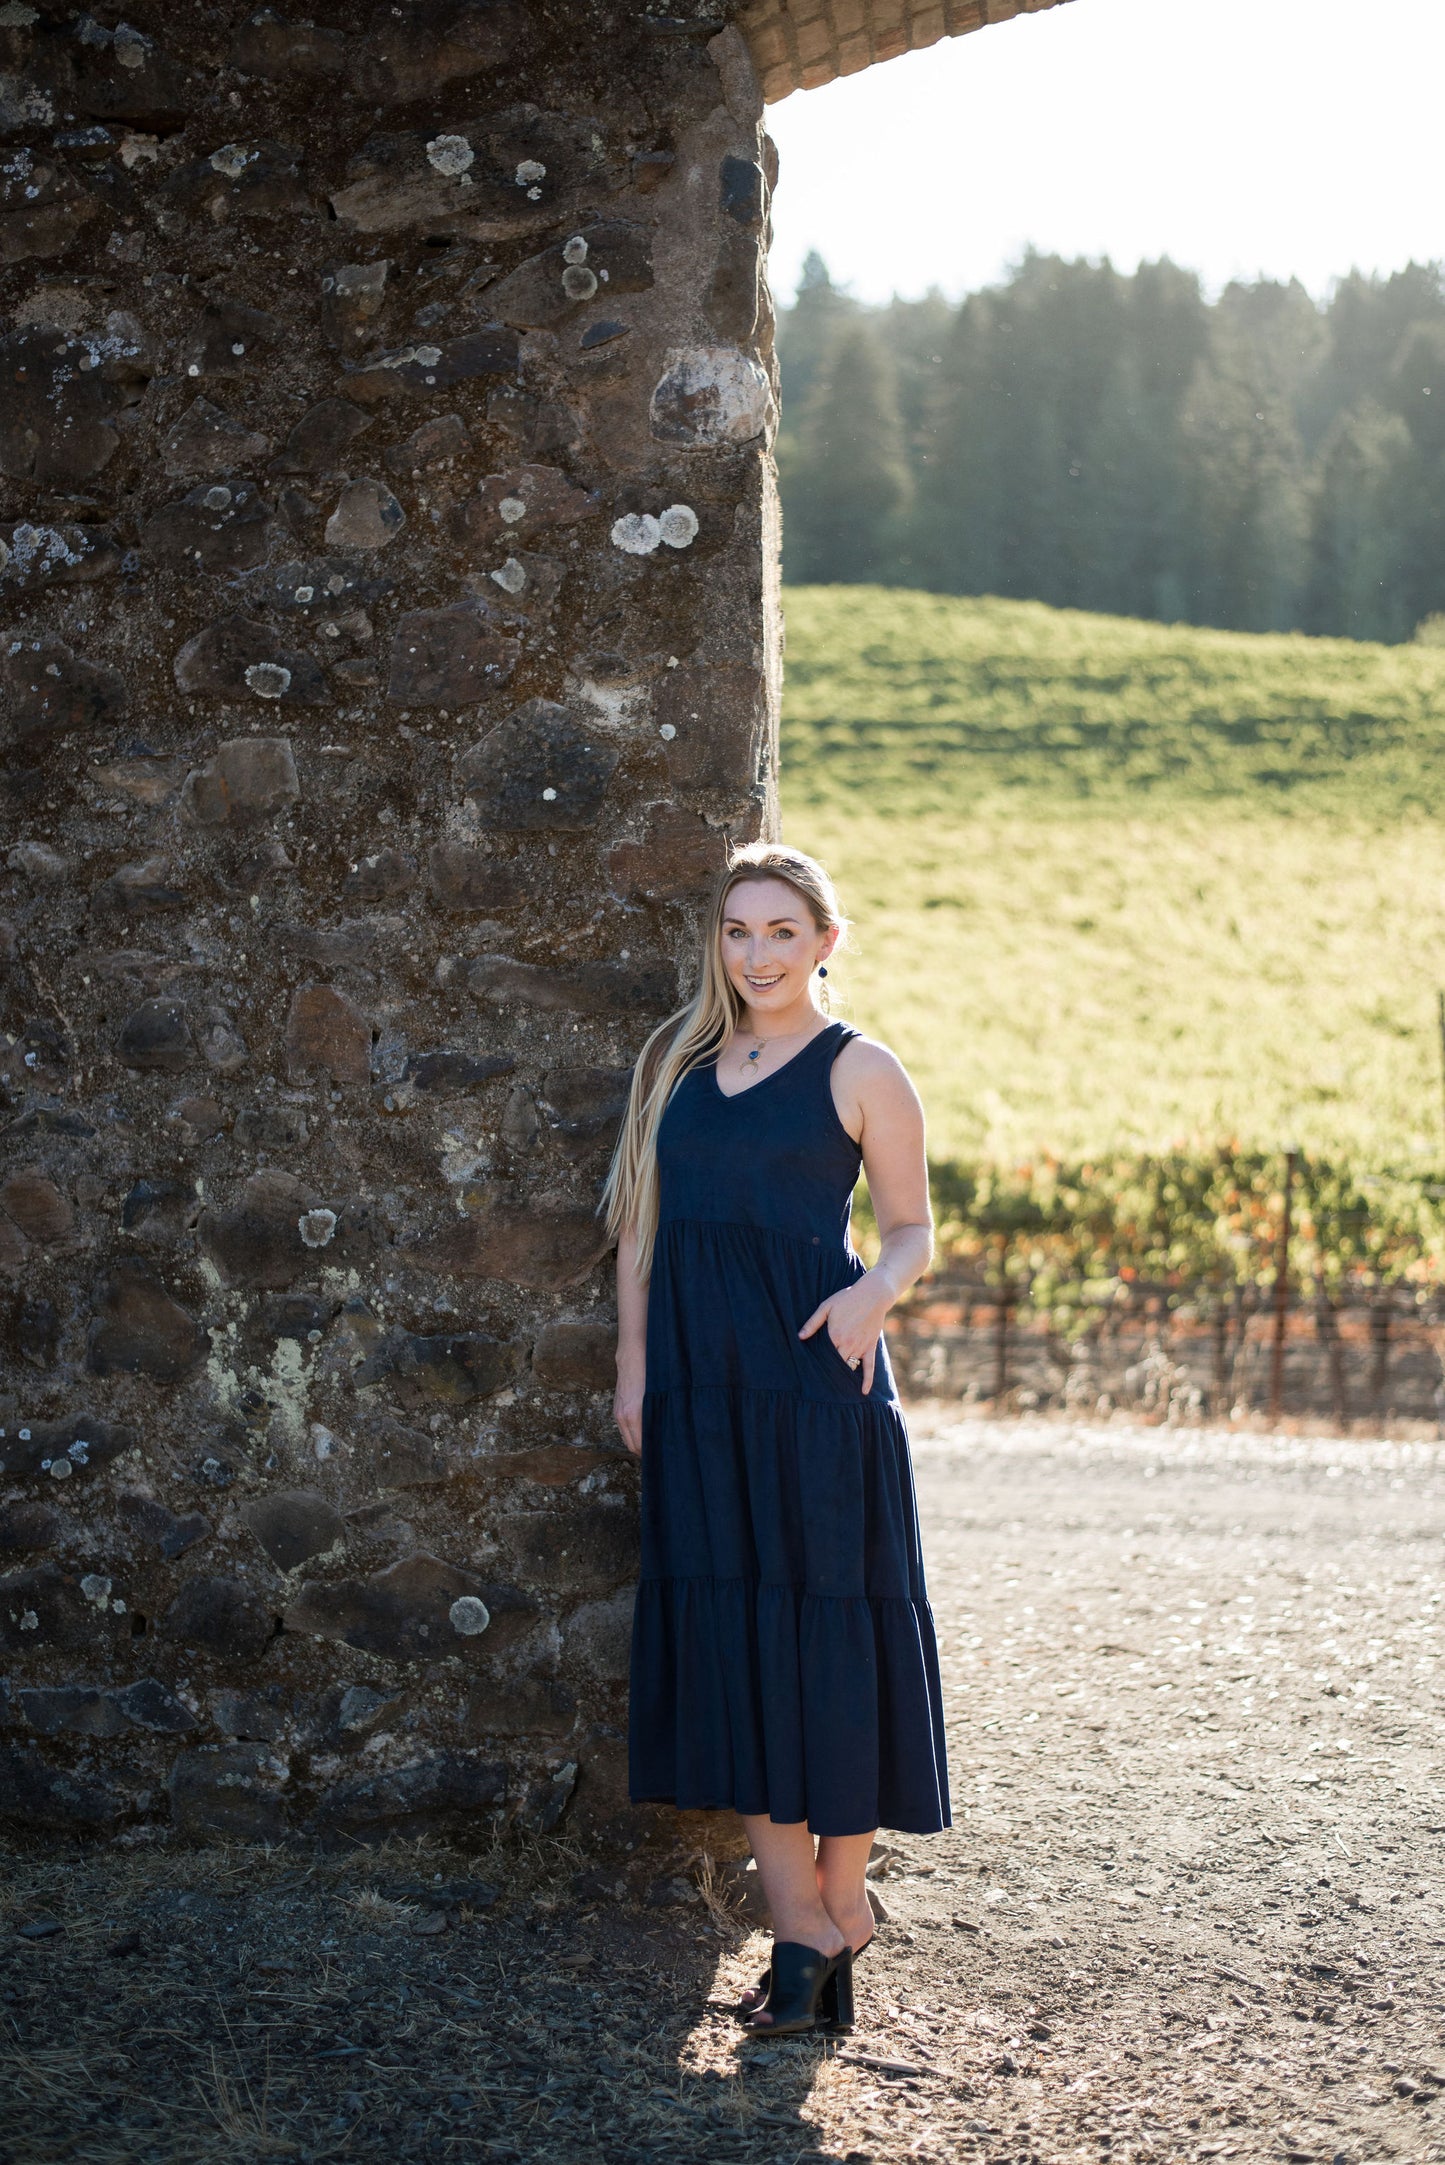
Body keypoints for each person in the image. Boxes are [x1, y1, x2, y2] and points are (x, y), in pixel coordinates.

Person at [603, 841, 950, 2038]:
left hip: (816, 1384)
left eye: (780, 931)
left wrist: (871, 1295)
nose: (756, 954)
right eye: (737, 931)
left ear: (823, 941)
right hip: (700, 1389)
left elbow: (908, 1229)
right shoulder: (677, 1065)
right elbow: (640, 1232)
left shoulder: (860, 1068)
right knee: (732, 1634)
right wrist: (635, 1367)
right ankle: (800, 1912)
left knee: (828, 1631)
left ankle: (834, 1906)